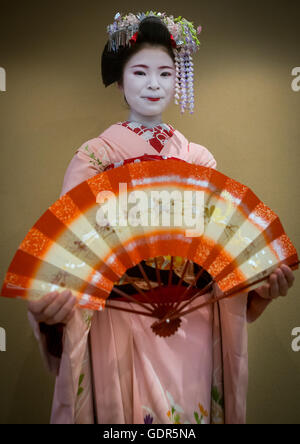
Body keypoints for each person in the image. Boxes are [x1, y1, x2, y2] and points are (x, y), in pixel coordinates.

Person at [27, 13, 295, 424]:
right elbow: (69, 252)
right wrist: (52, 302)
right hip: (120, 316)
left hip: (193, 317)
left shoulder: (197, 159)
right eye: (140, 72)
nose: (154, 84)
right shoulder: (95, 158)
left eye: (166, 73)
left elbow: (219, 252)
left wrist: (257, 283)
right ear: (120, 81)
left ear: (178, 80)